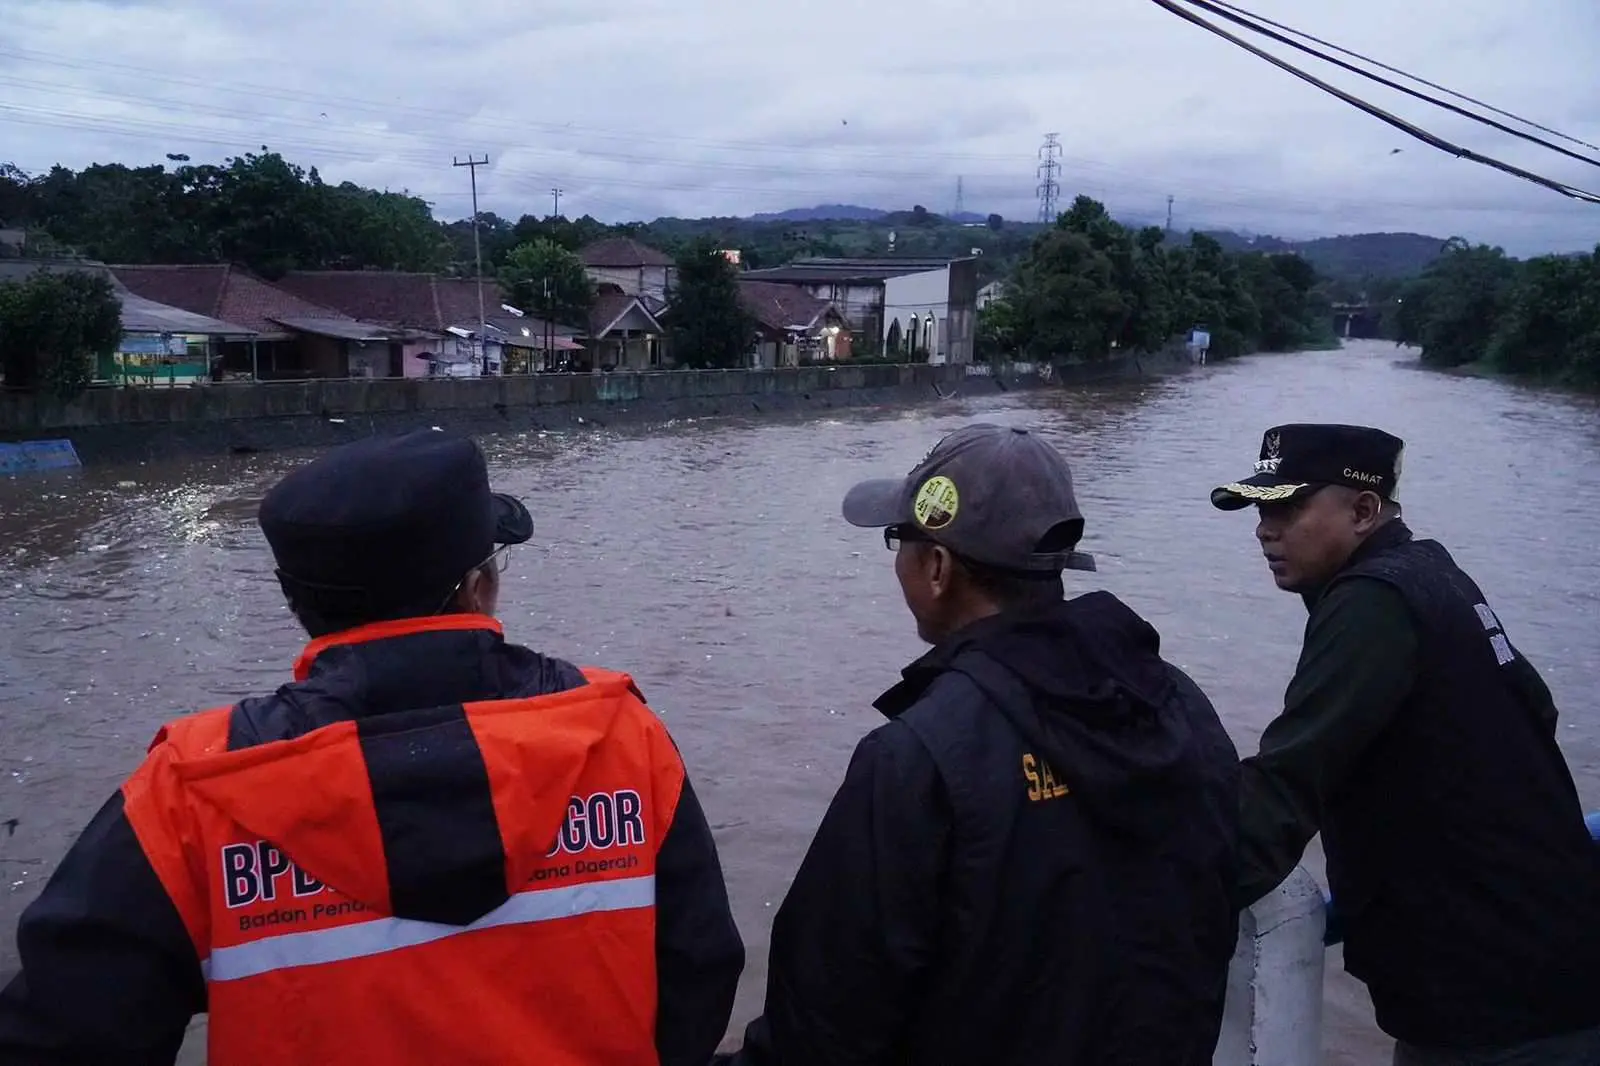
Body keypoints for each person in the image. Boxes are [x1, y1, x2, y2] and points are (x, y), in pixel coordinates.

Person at [0, 428, 744, 1066]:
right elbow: (699, 975)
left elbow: (62, 1035)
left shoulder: (196, 787)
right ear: (477, 587)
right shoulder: (618, 737)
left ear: (298, 605)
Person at [722, 422, 1242, 1066]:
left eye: (898, 540)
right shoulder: (1177, 704)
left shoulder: (918, 758)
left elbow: (825, 1022)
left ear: (937, 567)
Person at [1212, 423, 1600, 1066]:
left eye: (1287, 508)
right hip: (1534, 970)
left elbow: (1287, 783)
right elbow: (1537, 709)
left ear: (1364, 510)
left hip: (1494, 1011)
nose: (1264, 530)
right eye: (1260, 511)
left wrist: (1160, 899)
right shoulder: (1433, 574)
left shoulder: (1371, 603)